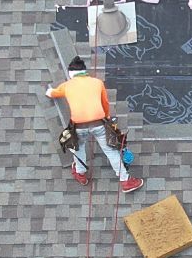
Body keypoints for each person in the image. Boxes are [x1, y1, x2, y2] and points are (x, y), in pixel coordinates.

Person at [45, 57, 138, 191]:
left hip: (79, 127)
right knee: (111, 151)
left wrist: (48, 91)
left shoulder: (66, 85)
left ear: (71, 73)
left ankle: (80, 173)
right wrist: (107, 118)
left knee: (79, 148)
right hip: (99, 124)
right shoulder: (97, 82)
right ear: (85, 71)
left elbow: (53, 93)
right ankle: (126, 181)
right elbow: (105, 103)